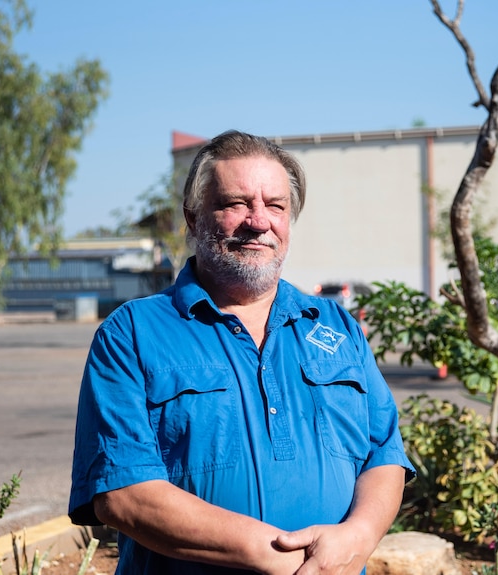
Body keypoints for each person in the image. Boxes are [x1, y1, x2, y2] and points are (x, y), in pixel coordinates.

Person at [68, 129, 414, 575]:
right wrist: (287, 561)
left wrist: (359, 537)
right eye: (235, 203)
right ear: (193, 219)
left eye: (275, 205)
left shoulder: (337, 326)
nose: (258, 220)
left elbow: (383, 454)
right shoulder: (132, 334)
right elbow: (123, 493)